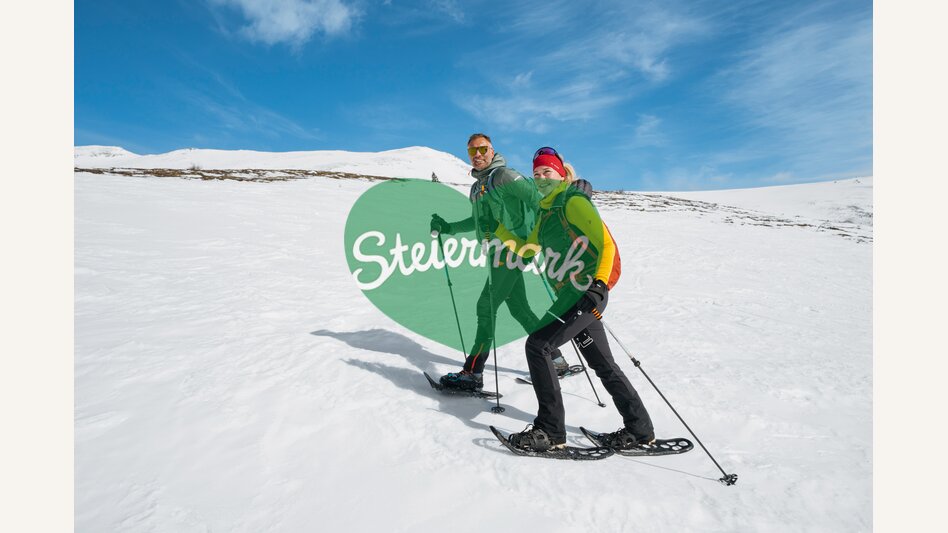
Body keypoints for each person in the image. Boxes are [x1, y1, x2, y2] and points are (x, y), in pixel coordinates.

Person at [496, 147, 655, 452]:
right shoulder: (546, 213)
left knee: (538, 345)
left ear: (561, 175)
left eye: (547, 172)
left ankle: (550, 432)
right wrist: (500, 231)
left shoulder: (573, 201)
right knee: (602, 363)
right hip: (573, 296)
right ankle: (640, 429)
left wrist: (598, 286)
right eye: (536, 174)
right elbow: (528, 248)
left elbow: (605, 244)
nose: (541, 178)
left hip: (586, 293)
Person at [430, 134, 576, 391]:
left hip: (513, 250)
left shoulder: (504, 176)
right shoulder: (476, 188)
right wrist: (448, 227)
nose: (477, 154)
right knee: (519, 309)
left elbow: (540, 201)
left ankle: (473, 372)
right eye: (472, 150)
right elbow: (477, 221)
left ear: (492, 150)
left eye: (482, 149)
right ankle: (555, 360)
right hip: (495, 253)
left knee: (485, 306)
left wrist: (536, 240)